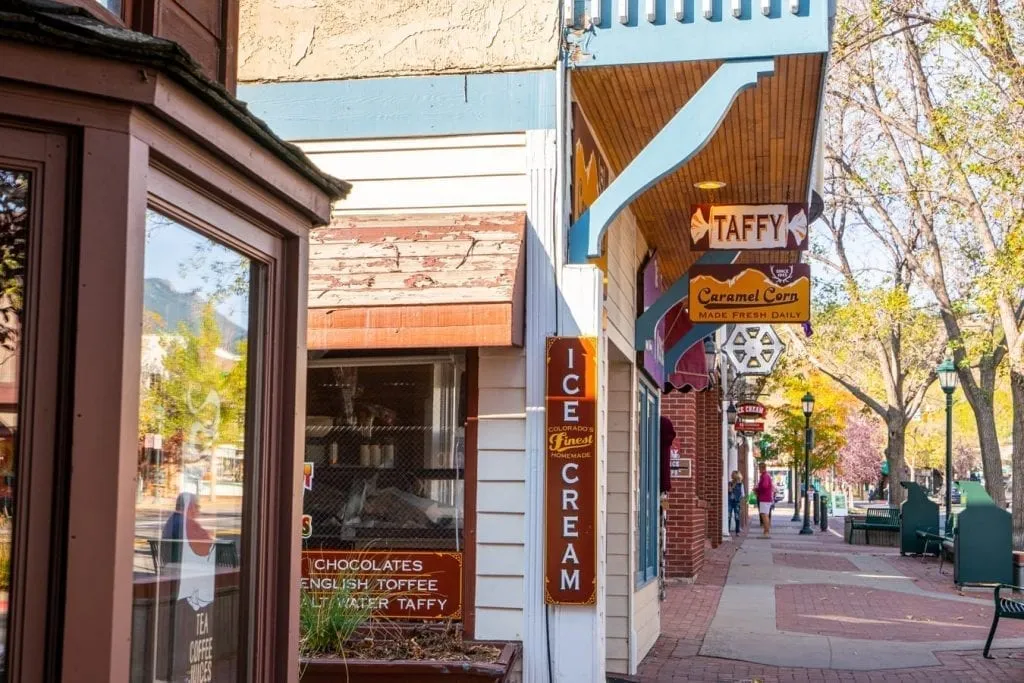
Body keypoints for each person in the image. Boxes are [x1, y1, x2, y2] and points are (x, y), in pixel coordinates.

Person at [756, 462, 774, 538]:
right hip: (766, 498)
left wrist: (757, 489)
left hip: (764, 498)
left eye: (759, 468)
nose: (758, 469)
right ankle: (765, 531)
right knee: (765, 514)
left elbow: (764, 486)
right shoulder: (765, 476)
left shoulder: (765, 476)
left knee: (764, 514)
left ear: (762, 468)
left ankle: (766, 532)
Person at [727, 471, 744, 535]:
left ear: (735, 476)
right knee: (729, 516)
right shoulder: (730, 483)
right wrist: (732, 486)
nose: (731, 475)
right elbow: (729, 491)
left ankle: (737, 531)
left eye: (732, 474)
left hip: (737, 502)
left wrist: (741, 504)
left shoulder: (741, 484)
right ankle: (727, 530)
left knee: (737, 517)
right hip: (730, 501)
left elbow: (742, 494)